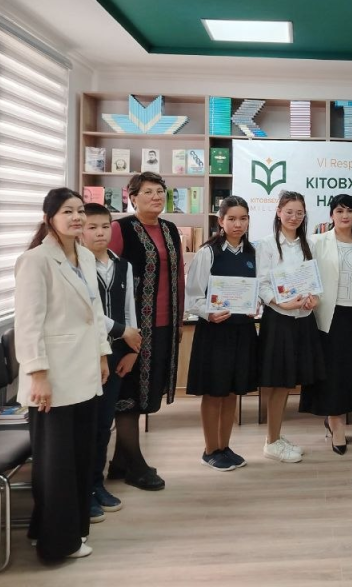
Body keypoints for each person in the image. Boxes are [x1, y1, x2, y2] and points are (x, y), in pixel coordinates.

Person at [14, 188, 110, 561]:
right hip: (52, 379)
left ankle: (51, 530)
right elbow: (28, 324)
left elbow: (95, 311)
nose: (76, 217)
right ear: (49, 218)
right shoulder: (35, 261)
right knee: (56, 465)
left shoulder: (83, 255)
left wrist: (102, 354)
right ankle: (59, 545)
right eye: (67, 211)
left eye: (79, 210)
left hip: (84, 372)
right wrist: (37, 374)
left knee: (79, 458)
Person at [107, 171, 185, 491]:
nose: (156, 196)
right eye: (149, 191)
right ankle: (135, 466)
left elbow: (178, 277)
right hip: (131, 329)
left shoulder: (170, 229)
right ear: (133, 197)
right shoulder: (120, 229)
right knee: (128, 396)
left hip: (164, 324)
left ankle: (119, 462)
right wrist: (122, 333)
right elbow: (108, 281)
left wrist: (179, 320)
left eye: (161, 191)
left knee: (146, 393)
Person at [185, 196, 258, 471]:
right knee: (214, 391)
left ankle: (224, 446)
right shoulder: (208, 253)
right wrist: (209, 313)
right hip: (215, 331)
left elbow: (256, 289)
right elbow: (193, 296)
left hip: (242, 331)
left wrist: (255, 306)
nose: (238, 224)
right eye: (232, 219)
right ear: (221, 221)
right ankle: (210, 450)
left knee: (232, 392)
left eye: (243, 218)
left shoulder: (253, 253)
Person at [81, 203, 141, 523]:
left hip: (117, 353)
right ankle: (83, 490)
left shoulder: (123, 265)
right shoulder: (75, 266)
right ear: (80, 231)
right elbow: (88, 312)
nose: (99, 233)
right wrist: (122, 330)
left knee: (105, 422)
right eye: (92, 227)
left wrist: (132, 349)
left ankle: (97, 483)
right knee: (87, 424)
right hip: (86, 353)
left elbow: (130, 309)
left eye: (105, 226)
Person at [255, 191, 324, 463]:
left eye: (299, 213)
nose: (294, 217)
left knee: (288, 382)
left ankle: (275, 436)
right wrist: (281, 303)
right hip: (279, 320)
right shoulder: (267, 244)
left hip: (303, 319)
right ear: (278, 212)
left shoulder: (309, 244)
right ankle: (271, 441)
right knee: (278, 383)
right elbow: (262, 284)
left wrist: (314, 298)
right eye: (289, 212)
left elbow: (314, 280)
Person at [301, 194, 352, 455]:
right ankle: (336, 423)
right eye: (339, 211)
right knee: (330, 372)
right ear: (331, 215)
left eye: (349, 211)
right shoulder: (317, 242)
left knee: (348, 371)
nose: (345, 215)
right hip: (328, 315)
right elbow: (305, 274)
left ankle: (337, 416)